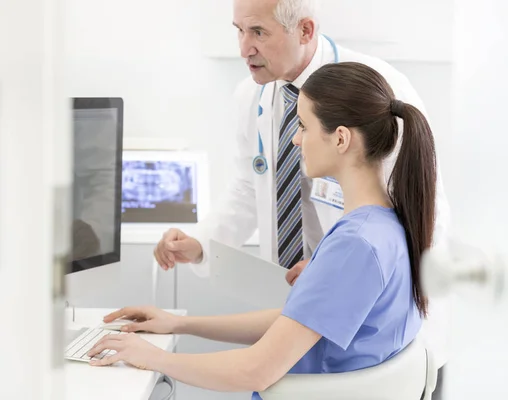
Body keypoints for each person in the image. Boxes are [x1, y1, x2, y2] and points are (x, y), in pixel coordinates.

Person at [89, 61, 437, 399]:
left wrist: (153, 358)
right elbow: (295, 323)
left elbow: (256, 369)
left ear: (341, 139)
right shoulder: (387, 225)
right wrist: (179, 324)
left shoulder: (355, 245)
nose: (296, 140)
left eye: (303, 126)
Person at [153, 0, 450, 395]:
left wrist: (349, 272)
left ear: (305, 31)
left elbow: (423, 201)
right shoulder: (252, 96)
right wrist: (200, 249)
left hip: (357, 322)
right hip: (322, 300)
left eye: (258, 32)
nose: (244, 48)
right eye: (238, 31)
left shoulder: (377, 89)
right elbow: (249, 183)